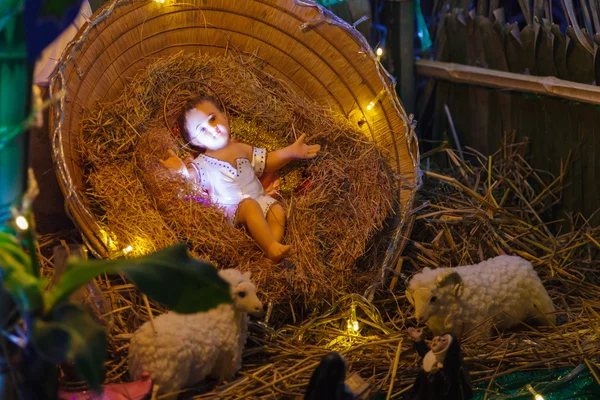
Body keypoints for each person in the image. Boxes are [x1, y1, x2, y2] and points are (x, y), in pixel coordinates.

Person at [160, 96, 320, 262]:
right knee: (250, 207)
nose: (212, 129)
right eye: (202, 130)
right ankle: (271, 247)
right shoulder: (203, 163)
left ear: (225, 116)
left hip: (259, 199)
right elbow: (189, 177)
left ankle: (272, 247)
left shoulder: (242, 148)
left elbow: (267, 162)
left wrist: (291, 151)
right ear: (195, 141)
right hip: (233, 209)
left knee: (276, 210)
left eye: (213, 119)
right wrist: (179, 170)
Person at [406, 327, 473, 400]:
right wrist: (418, 338)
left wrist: (437, 375)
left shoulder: (452, 368)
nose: (438, 339)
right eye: (442, 337)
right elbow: (426, 354)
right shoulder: (435, 356)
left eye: (445, 341)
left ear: (448, 349)